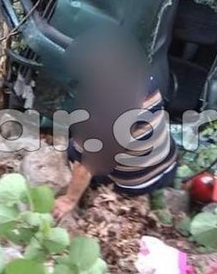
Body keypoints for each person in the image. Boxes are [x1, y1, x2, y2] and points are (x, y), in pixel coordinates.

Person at [52, 31, 178, 220]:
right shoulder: (143, 78)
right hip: (169, 166)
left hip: (138, 182)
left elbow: (86, 166)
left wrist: (69, 200)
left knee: (74, 149)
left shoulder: (107, 111)